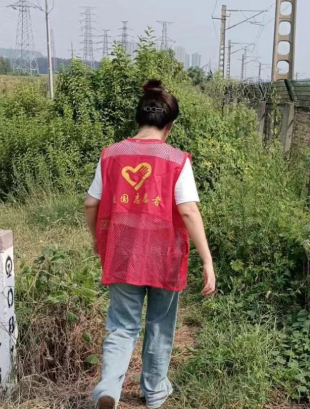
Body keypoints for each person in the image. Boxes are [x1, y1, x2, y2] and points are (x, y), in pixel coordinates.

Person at [84, 79, 216, 409]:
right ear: (170, 125)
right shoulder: (176, 159)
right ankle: (155, 391)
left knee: (121, 326)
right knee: (160, 323)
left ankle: (109, 388)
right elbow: (188, 210)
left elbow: (90, 203)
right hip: (165, 255)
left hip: (122, 252)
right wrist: (207, 260)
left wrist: (98, 240)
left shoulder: (111, 154)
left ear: (139, 118)